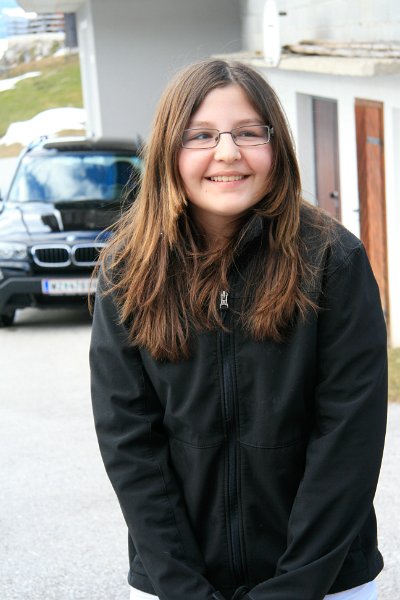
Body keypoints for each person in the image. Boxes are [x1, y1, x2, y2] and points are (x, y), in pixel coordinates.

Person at [89, 59, 387, 600]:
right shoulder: (128, 269)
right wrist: (183, 587)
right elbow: (130, 442)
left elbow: (349, 441)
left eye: (249, 132)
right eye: (201, 135)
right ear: (168, 150)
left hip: (324, 583)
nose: (227, 152)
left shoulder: (333, 260)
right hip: (176, 584)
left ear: (277, 145)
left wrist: (292, 590)